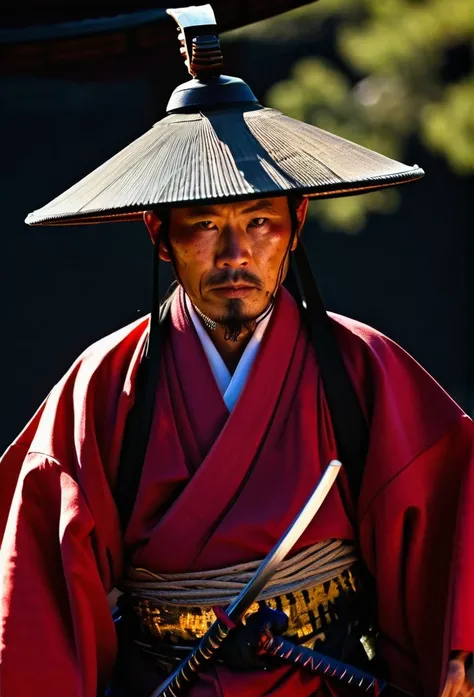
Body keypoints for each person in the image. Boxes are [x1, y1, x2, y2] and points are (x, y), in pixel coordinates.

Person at [0, 6, 473, 697]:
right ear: (160, 235)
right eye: (203, 226)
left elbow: (450, 546)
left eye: (259, 222)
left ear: (295, 225)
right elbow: (38, 601)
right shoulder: (99, 389)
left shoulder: (363, 369)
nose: (235, 254)